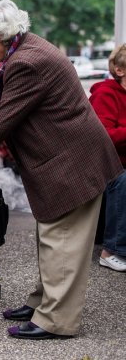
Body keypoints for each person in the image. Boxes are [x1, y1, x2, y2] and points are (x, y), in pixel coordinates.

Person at [0, 0, 122, 340]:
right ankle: (42, 303)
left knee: (62, 242)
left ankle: (57, 321)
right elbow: (0, 94)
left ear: (1, 37)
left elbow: (5, 117)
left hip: (72, 162)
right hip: (66, 157)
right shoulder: (22, 51)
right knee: (52, 237)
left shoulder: (29, 61)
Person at [89, 44, 126, 272]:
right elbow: (102, 137)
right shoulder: (105, 94)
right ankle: (111, 250)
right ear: (120, 70)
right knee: (124, 181)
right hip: (107, 165)